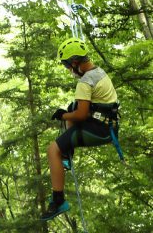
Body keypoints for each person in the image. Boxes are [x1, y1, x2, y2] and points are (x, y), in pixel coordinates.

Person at [41, 37, 120, 221]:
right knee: (72, 106)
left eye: (68, 66)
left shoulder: (85, 82)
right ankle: (67, 155)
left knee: (52, 150)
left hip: (100, 130)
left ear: (75, 63)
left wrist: (62, 116)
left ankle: (58, 201)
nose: (69, 70)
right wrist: (69, 112)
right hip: (108, 125)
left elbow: (81, 115)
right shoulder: (99, 72)